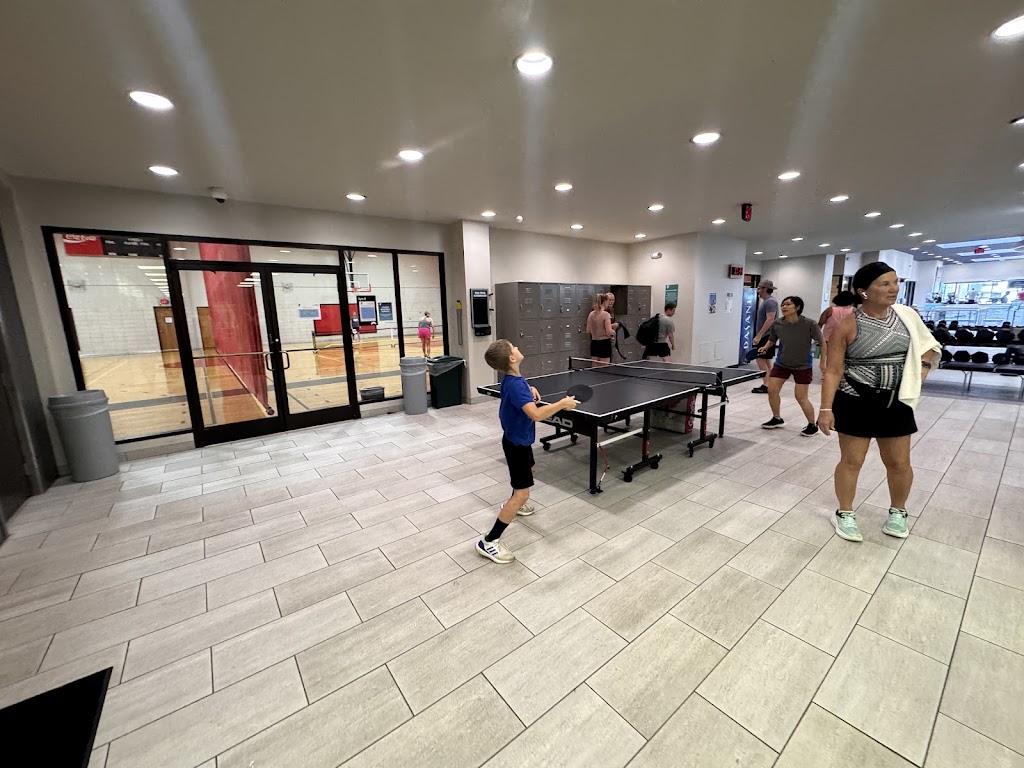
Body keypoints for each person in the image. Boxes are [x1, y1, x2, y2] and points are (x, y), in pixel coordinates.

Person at [817, 262, 941, 542]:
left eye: (895, 282)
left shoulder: (907, 316)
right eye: (884, 284)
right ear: (863, 291)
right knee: (852, 461)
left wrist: (922, 367)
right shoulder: (847, 325)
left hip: (896, 400)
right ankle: (844, 513)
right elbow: (834, 370)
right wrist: (825, 408)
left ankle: (898, 511)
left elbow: (929, 345)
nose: (893, 288)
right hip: (855, 399)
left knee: (899, 462)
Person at [479, 339, 577, 563]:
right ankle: (489, 541)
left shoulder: (513, 380)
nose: (517, 348)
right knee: (522, 493)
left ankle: (516, 504)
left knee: (529, 471)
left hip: (519, 439)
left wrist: (529, 389)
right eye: (514, 347)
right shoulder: (515, 384)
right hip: (516, 444)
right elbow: (536, 414)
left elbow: (518, 393)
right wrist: (562, 404)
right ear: (512, 358)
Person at [759, 296, 826, 436]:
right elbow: (772, 339)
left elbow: (822, 342)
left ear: (798, 307)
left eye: (788, 304)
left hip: (803, 365)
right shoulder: (777, 323)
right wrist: (765, 347)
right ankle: (777, 418)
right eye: (783, 304)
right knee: (772, 390)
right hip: (782, 363)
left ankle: (812, 425)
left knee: (801, 397)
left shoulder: (809, 324)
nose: (784, 307)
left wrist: (822, 362)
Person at [750, 280, 779, 393]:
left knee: (760, 359)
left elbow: (770, 319)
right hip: (767, 335)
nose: (757, 290)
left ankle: (766, 385)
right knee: (766, 360)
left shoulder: (770, 302)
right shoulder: (767, 301)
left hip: (767, 335)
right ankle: (771, 384)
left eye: (759, 288)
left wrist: (759, 335)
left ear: (765, 289)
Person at [818, 291, 856, 365]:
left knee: (830, 358)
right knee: (844, 358)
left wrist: (818, 337)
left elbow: (820, 323)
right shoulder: (854, 311)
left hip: (829, 338)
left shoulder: (830, 310)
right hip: (847, 338)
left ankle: (830, 370)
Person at [587, 293, 619, 364]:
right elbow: (609, 332)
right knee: (604, 368)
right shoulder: (606, 315)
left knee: (594, 367)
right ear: (605, 302)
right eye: (608, 301)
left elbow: (588, 329)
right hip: (604, 343)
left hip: (594, 343)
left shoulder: (591, 314)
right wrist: (614, 329)